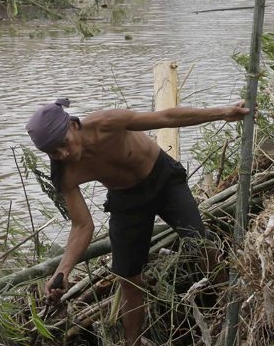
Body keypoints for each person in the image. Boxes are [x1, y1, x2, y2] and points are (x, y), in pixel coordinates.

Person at [27, 97, 248, 346]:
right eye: (53, 152)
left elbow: (166, 117)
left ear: (74, 126)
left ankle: (235, 310)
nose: (63, 154)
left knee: (199, 244)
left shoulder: (105, 123)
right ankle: (133, 342)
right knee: (128, 278)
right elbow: (81, 225)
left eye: (63, 144)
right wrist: (63, 271)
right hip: (126, 200)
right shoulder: (63, 172)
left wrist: (221, 112)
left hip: (164, 181)